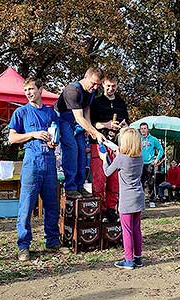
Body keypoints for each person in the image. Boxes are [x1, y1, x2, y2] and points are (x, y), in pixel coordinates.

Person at [8, 77, 60, 261]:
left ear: (40, 89)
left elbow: (57, 134)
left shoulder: (50, 112)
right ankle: (23, 246)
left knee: (52, 205)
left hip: (50, 162)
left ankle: (53, 242)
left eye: (31, 89)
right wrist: (33, 134)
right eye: (26, 90)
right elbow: (12, 138)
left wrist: (55, 142)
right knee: (26, 206)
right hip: (31, 162)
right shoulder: (21, 112)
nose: (29, 93)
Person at [55, 67, 105, 199]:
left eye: (98, 85)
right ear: (86, 77)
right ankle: (70, 187)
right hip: (64, 120)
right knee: (72, 149)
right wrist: (95, 131)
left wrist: (87, 128)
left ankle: (80, 185)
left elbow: (86, 109)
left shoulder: (92, 91)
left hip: (78, 123)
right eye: (93, 83)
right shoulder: (73, 90)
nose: (95, 87)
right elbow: (78, 117)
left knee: (82, 151)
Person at [99, 127, 145, 270]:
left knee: (126, 230)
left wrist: (103, 159)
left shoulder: (120, 159)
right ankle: (138, 258)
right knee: (136, 228)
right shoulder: (140, 157)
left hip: (126, 199)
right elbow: (125, 157)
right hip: (138, 196)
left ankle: (128, 260)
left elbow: (107, 172)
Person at [90, 72, 129, 222]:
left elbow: (127, 122)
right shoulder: (96, 101)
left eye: (113, 86)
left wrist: (123, 125)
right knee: (99, 181)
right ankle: (98, 210)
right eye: (108, 86)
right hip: (99, 144)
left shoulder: (121, 102)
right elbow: (92, 125)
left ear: (117, 86)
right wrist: (106, 125)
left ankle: (111, 210)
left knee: (115, 181)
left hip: (117, 146)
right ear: (103, 85)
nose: (110, 88)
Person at [139, 122, 164, 208]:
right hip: (139, 163)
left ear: (147, 129)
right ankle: (141, 201)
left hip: (150, 163)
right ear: (140, 130)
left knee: (150, 182)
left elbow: (161, 150)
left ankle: (152, 200)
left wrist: (157, 159)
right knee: (140, 182)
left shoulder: (153, 139)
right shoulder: (137, 139)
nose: (143, 130)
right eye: (141, 128)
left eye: (144, 128)